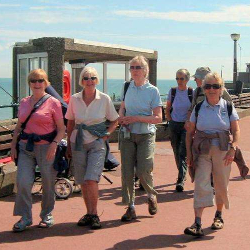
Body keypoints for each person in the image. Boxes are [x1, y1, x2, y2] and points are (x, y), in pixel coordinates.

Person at [184, 72, 240, 237]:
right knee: (201, 182)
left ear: (221, 89)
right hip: (203, 150)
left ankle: (218, 216)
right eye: (208, 86)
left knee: (221, 184)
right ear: (203, 89)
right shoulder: (199, 107)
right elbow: (190, 132)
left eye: (216, 86)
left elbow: (236, 130)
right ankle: (197, 223)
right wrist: (189, 154)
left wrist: (233, 148)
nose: (212, 89)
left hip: (223, 150)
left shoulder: (227, 106)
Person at [11, 69, 65, 232]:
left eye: (40, 80)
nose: (37, 83)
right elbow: (19, 126)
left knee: (48, 182)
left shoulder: (53, 103)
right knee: (23, 182)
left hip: (46, 147)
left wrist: (54, 144)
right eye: (33, 80)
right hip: (26, 147)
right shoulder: (24, 102)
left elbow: (62, 129)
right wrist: (13, 145)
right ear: (29, 83)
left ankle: (47, 214)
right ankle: (25, 217)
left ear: (46, 83)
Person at [65, 66, 118, 229]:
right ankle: (88, 213)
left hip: (96, 142)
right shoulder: (74, 99)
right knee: (82, 180)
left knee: (91, 179)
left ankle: (94, 214)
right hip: (78, 141)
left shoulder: (104, 99)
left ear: (97, 81)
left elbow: (115, 120)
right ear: (81, 81)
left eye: (93, 78)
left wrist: (106, 134)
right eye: (86, 78)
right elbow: (71, 122)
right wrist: (68, 144)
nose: (90, 81)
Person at [118, 55, 162, 221]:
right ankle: (130, 207)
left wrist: (136, 118)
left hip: (146, 135)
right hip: (127, 134)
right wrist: (121, 117)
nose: (134, 71)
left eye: (138, 67)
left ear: (146, 71)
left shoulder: (153, 91)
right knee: (127, 172)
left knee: (144, 169)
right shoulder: (127, 86)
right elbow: (122, 108)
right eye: (132, 67)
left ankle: (151, 194)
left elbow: (158, 118)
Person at [165, 69, 193, 192]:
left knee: (183, 152)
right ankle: (181, 172)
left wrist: (189, 121)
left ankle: (181, 180)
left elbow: (193, 109)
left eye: (181, 78)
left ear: (187, 79)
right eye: (177, 78)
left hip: (186, 125)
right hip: (174, 124)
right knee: (176, 151)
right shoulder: (172, 91)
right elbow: (168, 107)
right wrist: (170, 120)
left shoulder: (191, 92)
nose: (179, 81)